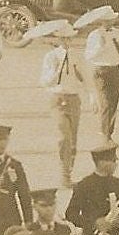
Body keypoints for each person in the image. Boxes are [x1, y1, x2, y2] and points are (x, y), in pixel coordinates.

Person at [36, 20, 87, 186]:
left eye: (69, 39)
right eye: (63, 39)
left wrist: (91, 94)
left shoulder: (76, 56)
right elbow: (45, 82)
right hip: (58, 99)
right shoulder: (51, 57)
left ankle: (69, 171)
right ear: (58, 40)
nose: (66, 42)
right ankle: (64, 174)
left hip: (73, 99)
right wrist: (57, 69)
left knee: (73, 139)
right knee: (63, 136)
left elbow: (83, 78)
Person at [83, 7, 119, 141]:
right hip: (100, 71)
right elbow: (88, 56)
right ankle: (105, 133)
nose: (110, 22)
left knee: (113, 103)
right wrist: (100, 47)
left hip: (115, 70)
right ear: (102, 21)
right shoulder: (94, 36)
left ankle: (109, 131)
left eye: (111, 20)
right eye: (107, 20)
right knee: (105, 103)